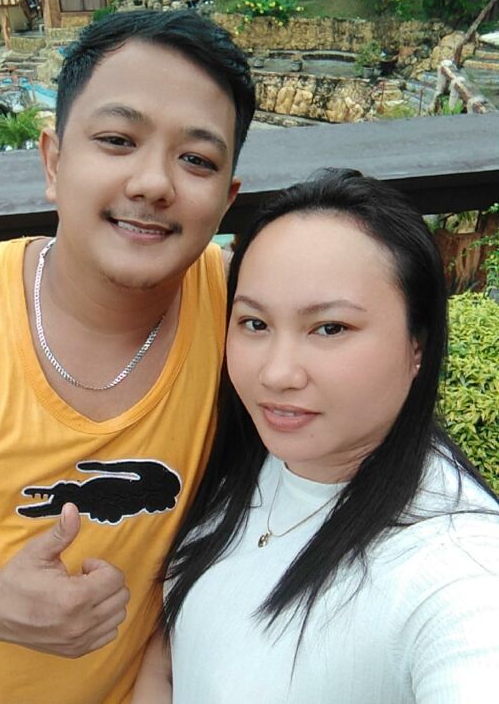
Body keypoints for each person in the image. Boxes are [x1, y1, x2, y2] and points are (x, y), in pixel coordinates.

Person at [0, 10, 255, 703]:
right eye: (117, 140)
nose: (153, 183)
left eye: (196, 158)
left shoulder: (248, 320)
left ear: (225, 201)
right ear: (53, 161)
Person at [132, 169, 499, 703]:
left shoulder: (457, 565)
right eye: (255, 323)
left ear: (417, 344)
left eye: (330, 328)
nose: (277, 373)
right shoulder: (250, 456)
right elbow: (173, 655)